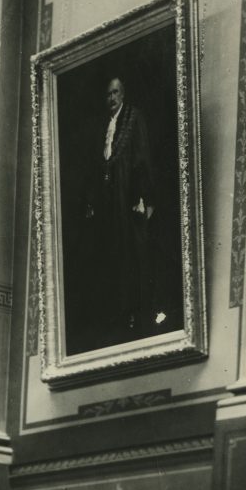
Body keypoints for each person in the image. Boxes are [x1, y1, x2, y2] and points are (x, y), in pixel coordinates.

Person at [86, 77, 165, 344]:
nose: (112, 98)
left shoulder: (134, 118)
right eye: (108, 94)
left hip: (128, 198)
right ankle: (115, 313)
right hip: (109, 202)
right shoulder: (103, 126)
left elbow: (142, 157)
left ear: (123, 94)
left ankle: (134, 312)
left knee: (132, 254)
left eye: (116, 92)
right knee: (111, 254)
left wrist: (142, 196)